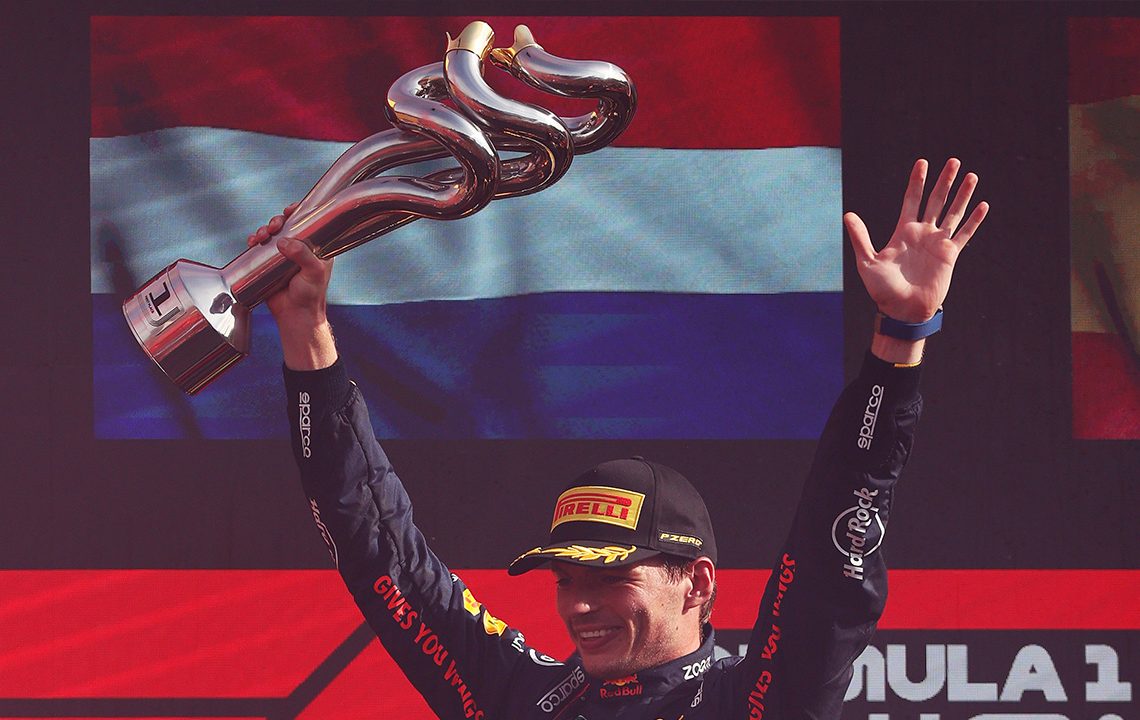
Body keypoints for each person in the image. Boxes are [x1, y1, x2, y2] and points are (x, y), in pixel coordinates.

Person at [248, 158, 989, 718]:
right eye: (568, 579)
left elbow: (832, 562)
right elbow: (376, 544)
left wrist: (899, 339)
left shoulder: (754, 705)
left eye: (610, 577)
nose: (578, 605)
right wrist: (305, 333)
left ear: (697, 583)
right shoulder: (520, 700)